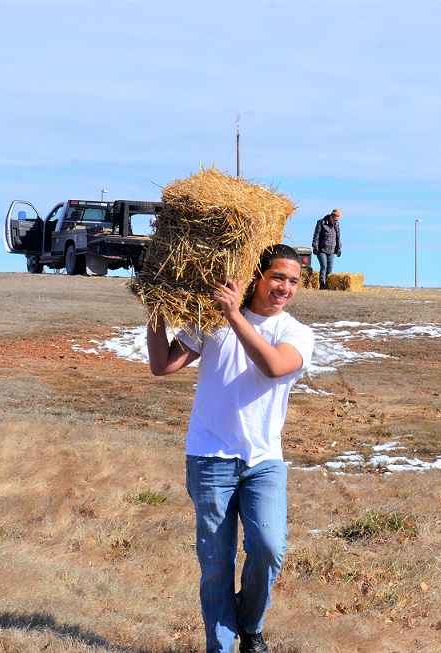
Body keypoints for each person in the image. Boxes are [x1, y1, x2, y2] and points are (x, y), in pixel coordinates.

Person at [146, 244, 314, 653]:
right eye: (278, 277)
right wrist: (157, 309)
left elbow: (273, 365)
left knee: (269, 548)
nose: (285, 288)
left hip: (263, 461)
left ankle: (250, 624)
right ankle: (220, 647)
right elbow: (162, 364)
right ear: (256, 276)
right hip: (208, 457)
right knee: (216, 566)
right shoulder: (211, 321)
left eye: (293, 281)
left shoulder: (296, 333)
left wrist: (234, 314)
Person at [311, 208, 342, 289]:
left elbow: (338, 237)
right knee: (324, 266)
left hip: (332, 250)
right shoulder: (321, 223)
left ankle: (328, 284)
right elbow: (316, 235)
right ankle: (322, 284)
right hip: (322, 249)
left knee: (330, 268)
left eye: (337, 221)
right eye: (335, 220)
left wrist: (339, 248)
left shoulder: (337, 225)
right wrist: (315, 247)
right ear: (331, 217)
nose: (335, 222)